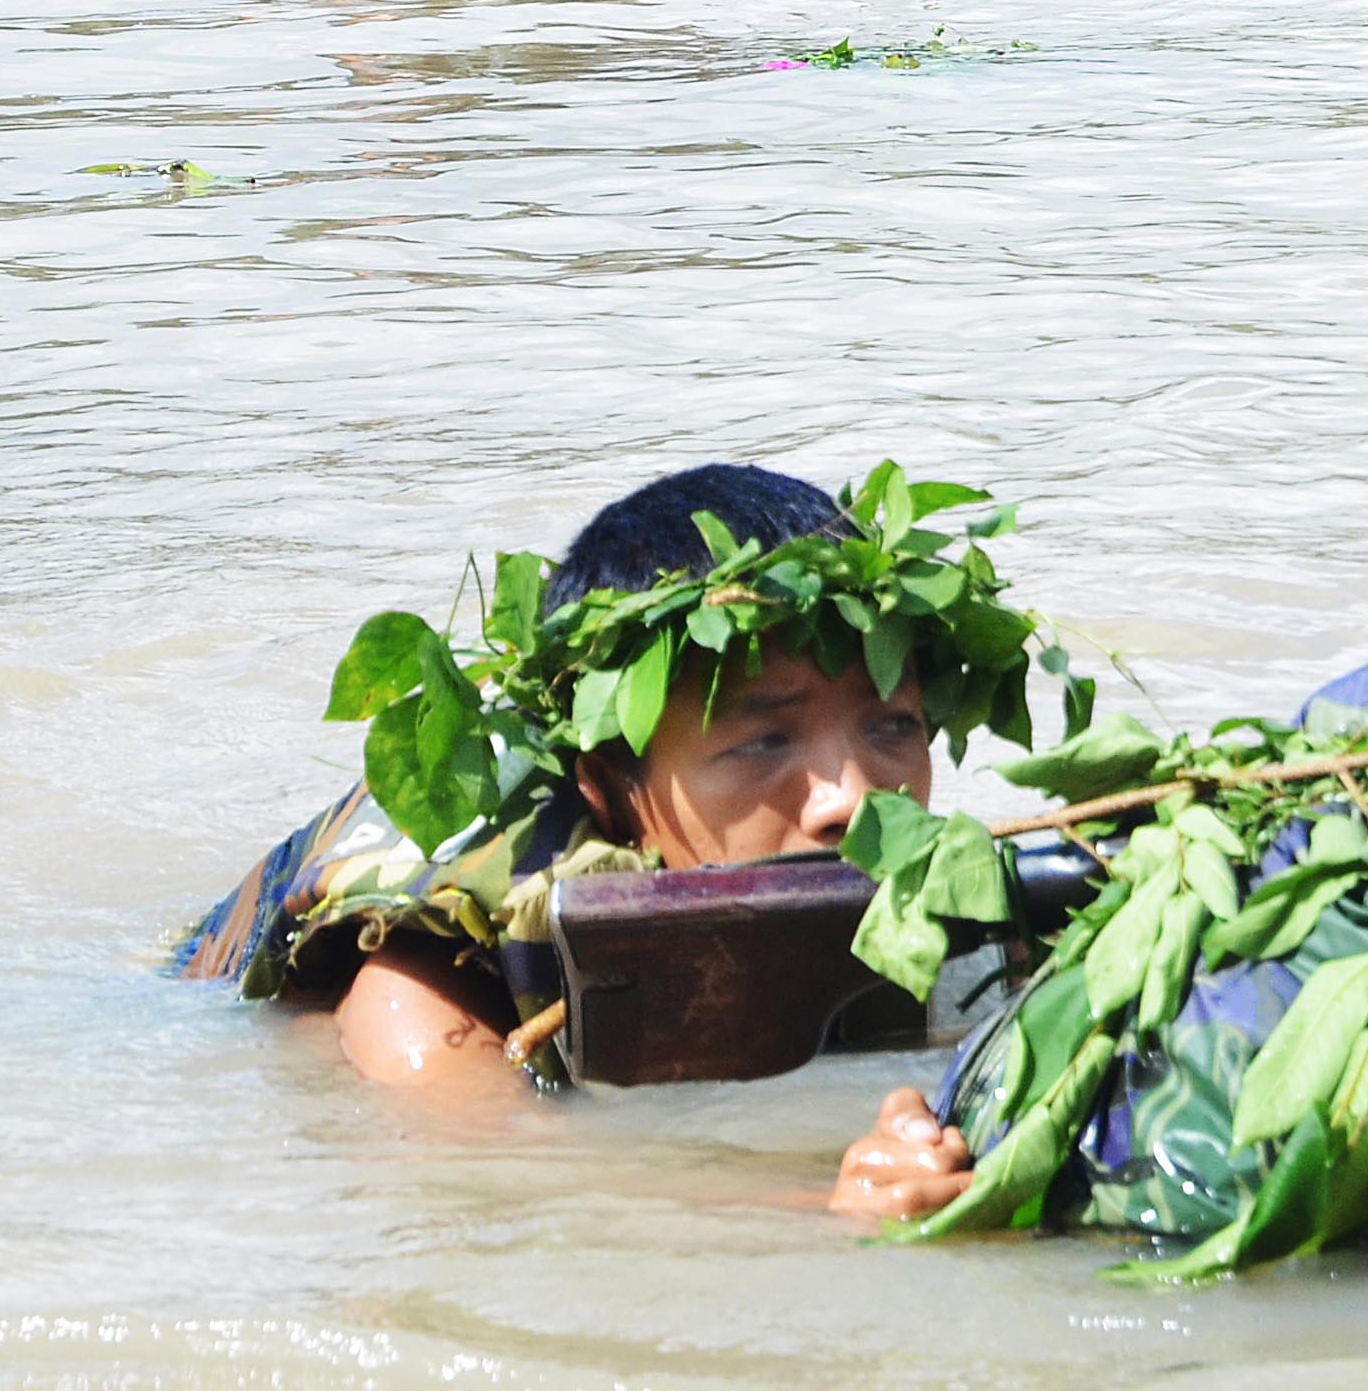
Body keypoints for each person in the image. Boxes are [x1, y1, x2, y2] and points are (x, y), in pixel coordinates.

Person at [176, 463, 958, 1083]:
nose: (851, 799)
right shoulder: (432, 978)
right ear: (607, 782)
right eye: (764, 742)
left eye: (894, 725)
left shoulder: (963, 903)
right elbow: (512, 1191)